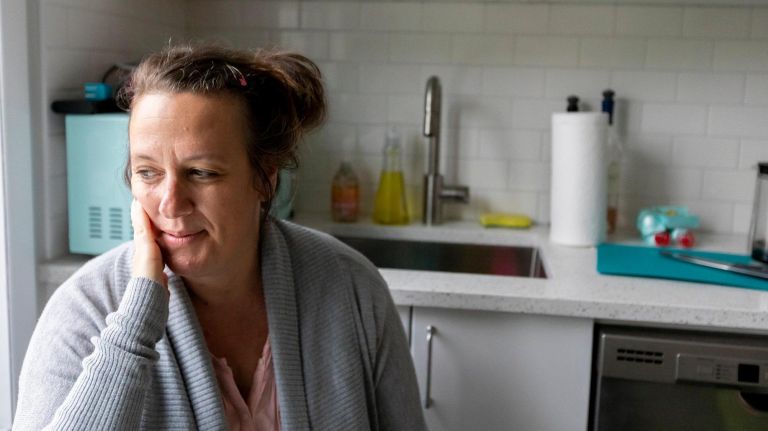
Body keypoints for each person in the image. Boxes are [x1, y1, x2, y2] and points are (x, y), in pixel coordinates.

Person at [13, 44, 426, 431]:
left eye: (202, 172)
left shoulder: (352, 288)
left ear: (265, 178)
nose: (171, 203)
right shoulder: (84, 310)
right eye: (148, 172)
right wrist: (135, 325)